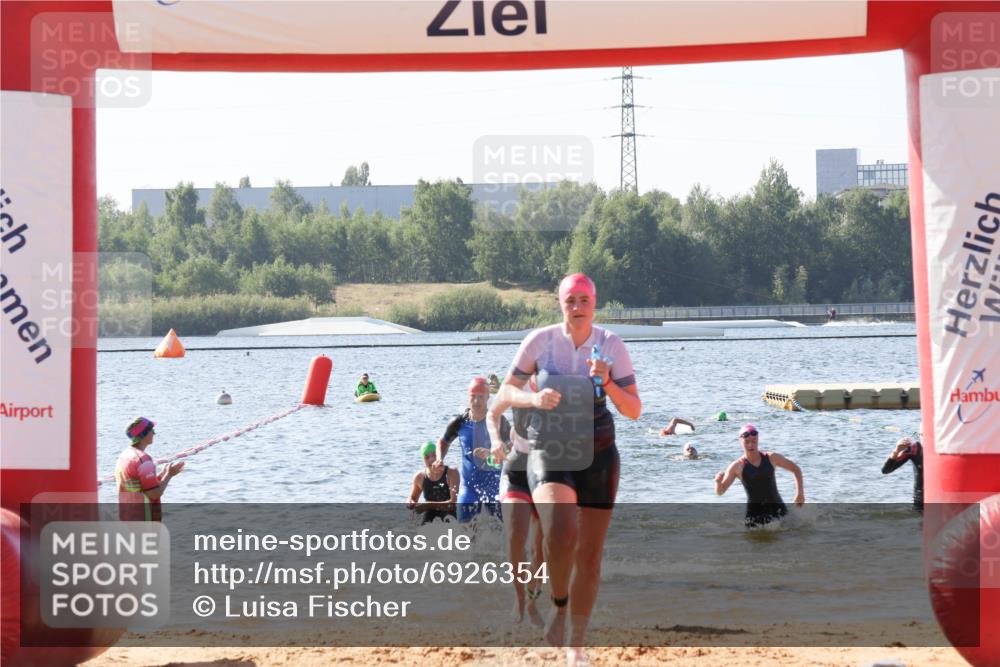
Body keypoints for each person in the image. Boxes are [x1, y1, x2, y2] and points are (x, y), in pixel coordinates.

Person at [493, 273, 640, 665]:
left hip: (600, 450)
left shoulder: (612, 345)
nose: (577, 308)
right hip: (551, 447)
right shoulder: (540, 341)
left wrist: (608, 383)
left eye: (584, 301)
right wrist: (533, 396)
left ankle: (575, 643)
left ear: (595, 304)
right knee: (560, 532)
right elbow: (504, 393)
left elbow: (634, 410)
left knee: (590, 556)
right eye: (570, 300)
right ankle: (558, 603)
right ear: (560, 303)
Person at [485, 373, 556, 626]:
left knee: (539, 549)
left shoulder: (559, 383)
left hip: (547, 471)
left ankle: (532, 599)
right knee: (515, 537)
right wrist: (495, 441)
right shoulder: (515, 383)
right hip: (516, 469)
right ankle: (518, 598)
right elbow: (492, 414)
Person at [436, 377, 510, 523]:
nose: (476, 401)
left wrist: (493, 453)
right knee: (464, 531)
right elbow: (443, 441)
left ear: (488, 397)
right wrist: (440, 458)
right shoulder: (459, 422)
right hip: (469, 488)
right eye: (473, 397)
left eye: (481, 397)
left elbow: (513, 448)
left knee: (502, 531)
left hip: (494, 487)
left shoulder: (499, 421)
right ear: (468, 397)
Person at [714, 423, 804, 528]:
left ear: (758, 440)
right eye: (746, 442)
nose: (750, 445)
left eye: (754, 441)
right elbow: (720, 492)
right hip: (754, 516)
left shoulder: (772, 458)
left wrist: (800, 493)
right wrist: (718, 482)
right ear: (740, 441)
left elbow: (796, 469)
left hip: (778, 509)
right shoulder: (737, 466)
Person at [115, 417, 184, 522]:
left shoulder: (124, 455)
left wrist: (161, 475)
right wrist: (169, 475)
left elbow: (138, 484)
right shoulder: (143, 460)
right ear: (144, 434)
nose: (154, 433)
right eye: (152, 430)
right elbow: (154, 493)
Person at [407, 441, 460, 524]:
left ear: (439, 456)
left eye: (434, 455)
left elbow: (452, 503)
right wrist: (410, 502)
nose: (431, 459)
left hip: (450, 515)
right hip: (429, 515)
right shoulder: (419, 477)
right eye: (427, 457)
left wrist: (427, 505)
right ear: (423, 459)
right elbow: (413, 499)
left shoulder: (451, 473)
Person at [881, 436, 923, 512]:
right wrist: (897, 450)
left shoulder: (944, 447)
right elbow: (886, 470)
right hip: (920, 500)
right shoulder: (914, 448)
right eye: (922, 435)